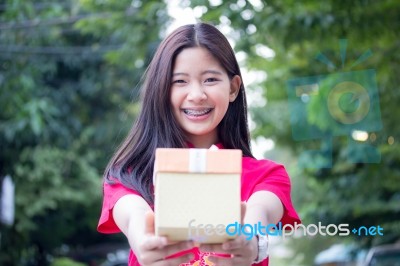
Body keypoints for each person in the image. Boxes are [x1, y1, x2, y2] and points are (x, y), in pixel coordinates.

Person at [98, 22, 300, 266]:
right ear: (161, 89)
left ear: (233, 88)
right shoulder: (130, 175)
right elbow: (135, 217)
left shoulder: (267, 176)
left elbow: (260, 213)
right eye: (180, 81)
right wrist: (144, 240)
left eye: (210, 79)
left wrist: (251, 241)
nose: (196, 95)